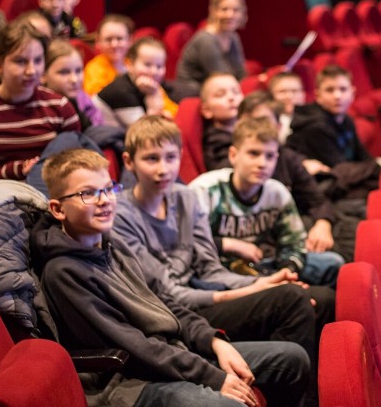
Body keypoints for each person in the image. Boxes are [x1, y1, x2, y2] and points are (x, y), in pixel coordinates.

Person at [31, 148, 309, 406]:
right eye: (87, 194)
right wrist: (212, 377)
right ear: (57, 209)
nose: (104, 201)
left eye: (108, 189)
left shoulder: (111, 244)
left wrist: (213, 340)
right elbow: (133, 347)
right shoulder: (63, 272)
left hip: (172, 353)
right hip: (130, 380)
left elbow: (163, 300)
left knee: (292, 359)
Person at [113, 115, 332, 403]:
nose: (162, 169)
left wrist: (263, 282)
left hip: (203, 294)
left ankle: (299, 395)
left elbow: (210, 268)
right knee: (292, 299)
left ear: (180, 156)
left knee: (317, 298)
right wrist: (252, 290)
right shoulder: (121, 216)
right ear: (129, 162)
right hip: (176, 314)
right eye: (151, 159)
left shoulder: (186, 198)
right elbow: (166, 294)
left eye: (170, 157)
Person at [189, 118, 344, 288]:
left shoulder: (277, 192)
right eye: (253, 154)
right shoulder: (205, 190)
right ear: (233, 155)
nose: (262, 164)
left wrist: (286, 273)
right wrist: (228, 244)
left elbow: (293, 244)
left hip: (265, 264)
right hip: (219, 270)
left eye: (269, 156)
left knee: (333, 263)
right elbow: (185, 242)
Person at [0, 20, 81, 180]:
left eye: (38, 60)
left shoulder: (60, 106)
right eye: (21, 61)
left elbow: (76, 167)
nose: (32, 71)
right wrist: (16, 170)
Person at [238, 91, 341, 258]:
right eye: (248, 121)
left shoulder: (288, 158)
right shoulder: (234, 167)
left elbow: (316, 199)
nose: (255, 128)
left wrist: (323, 224)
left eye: (262, 121)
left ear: (278, 128)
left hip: (292, 226)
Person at [286, 64, 381, 208]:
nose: (337, 96)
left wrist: (374, 167)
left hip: (343, 181)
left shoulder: (346, 120)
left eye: (343, 89)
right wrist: (373, 168)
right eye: (330, 90)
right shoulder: (314, 127)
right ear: (318, 95)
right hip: (321, 190)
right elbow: (340, 168)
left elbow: (362, 156)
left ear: (352, 92)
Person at [173, 0, 248, 100]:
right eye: (224, 9)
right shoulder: (206, 39)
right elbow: (221, 78)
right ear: (213, 11)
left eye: (235, 10)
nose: (230, 15)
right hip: (194, 97)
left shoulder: (233, 37)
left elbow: (241, 73)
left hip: (218, 93)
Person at [93, 37, 178, 130]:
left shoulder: (149, 85)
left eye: (159, 66)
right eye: (147, 64)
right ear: (130, 65)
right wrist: (153, 107)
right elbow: (143, 133)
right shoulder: (121, 90)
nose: (154, 71)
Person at [43, 39, 103, 130]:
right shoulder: (41, 109)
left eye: (78, 71)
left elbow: (98, 129)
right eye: (64, 72)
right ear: (43, 75)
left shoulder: (83, 98)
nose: (74, 79)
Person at [84, 14, 134, 96]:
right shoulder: (94, 70)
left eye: (119, 38)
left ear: (130, 40)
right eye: (108, 39)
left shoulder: (134, 65)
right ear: (98, 41)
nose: (114, 44)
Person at [267, 71, 306, 144]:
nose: (289, 96)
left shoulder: (314, 119)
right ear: (271, 96)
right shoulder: (269, 122)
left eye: (295, 91)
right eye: (282, 91)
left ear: (303, 95)